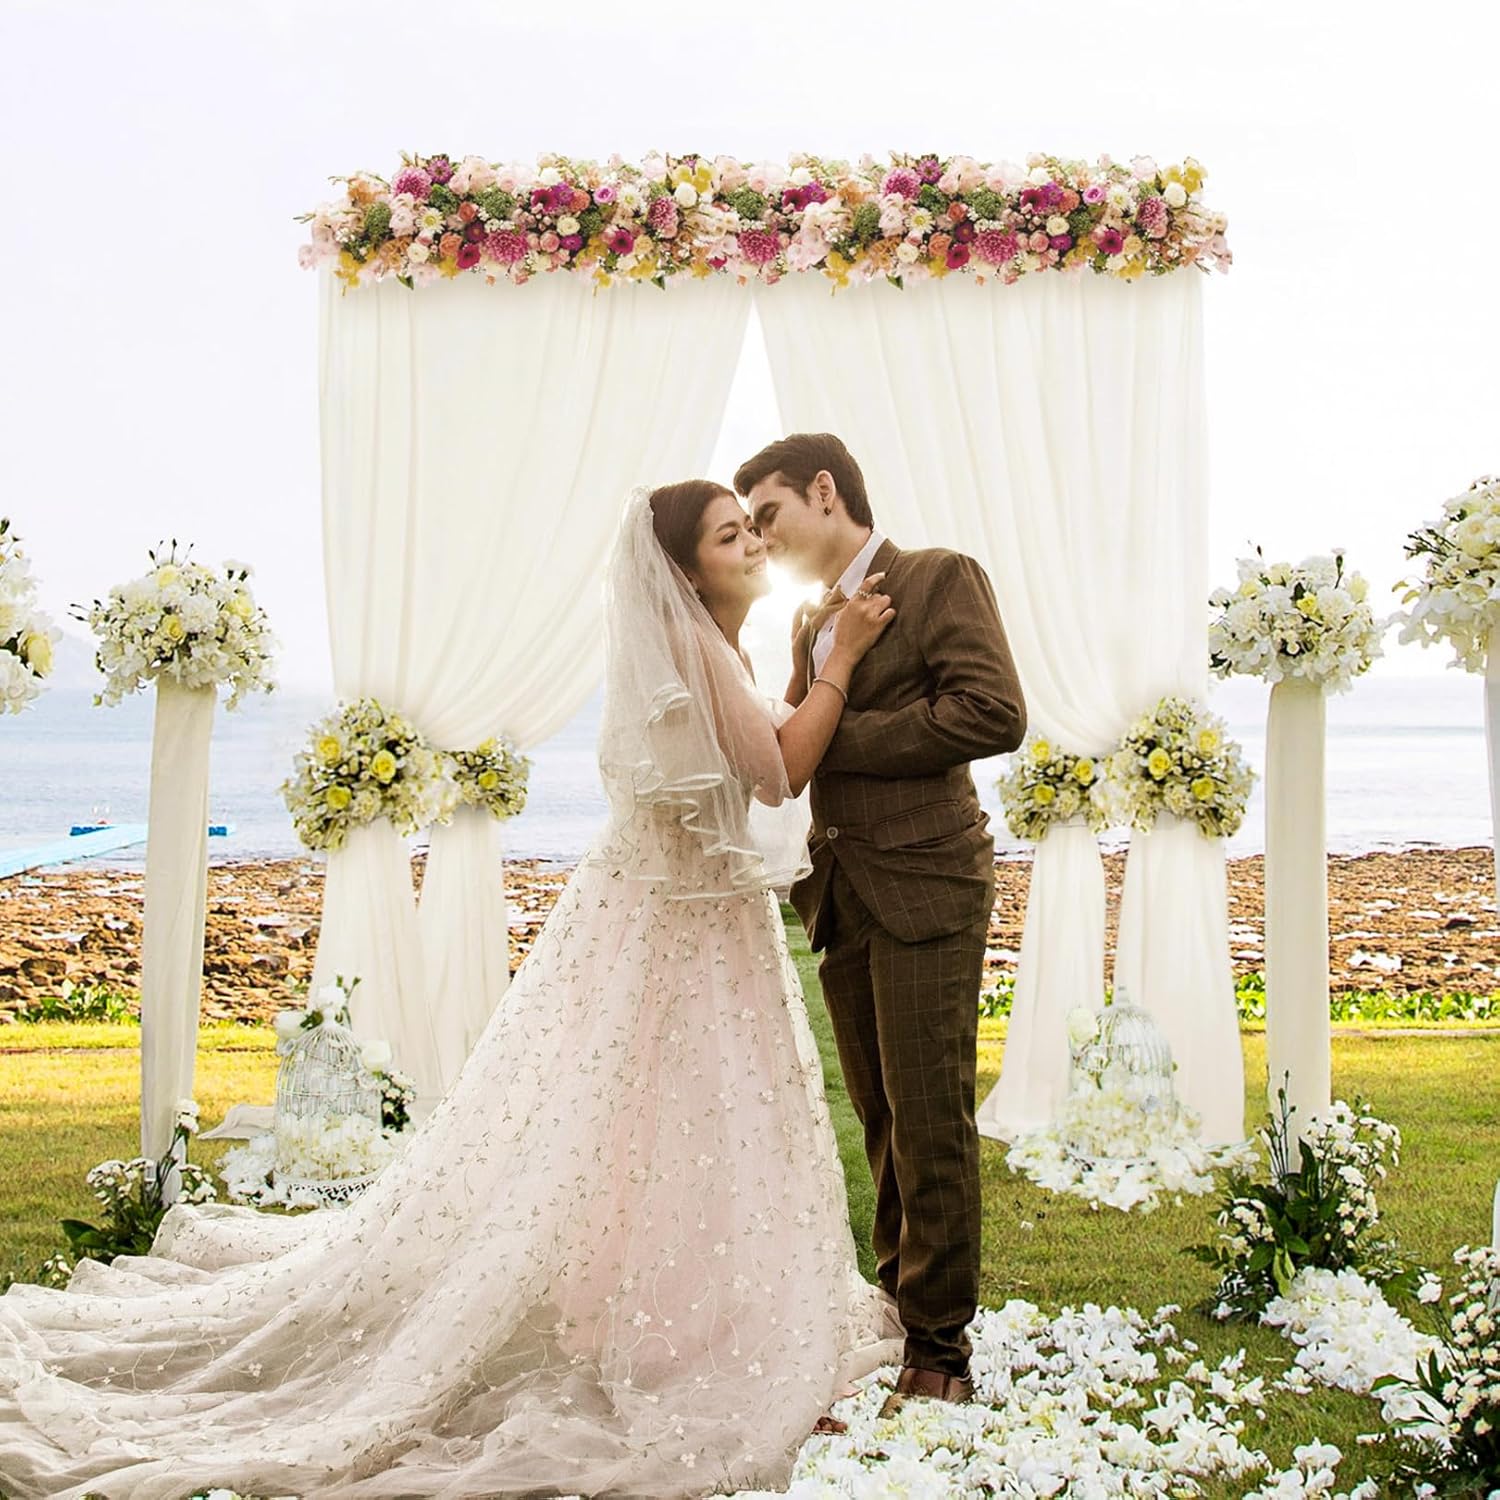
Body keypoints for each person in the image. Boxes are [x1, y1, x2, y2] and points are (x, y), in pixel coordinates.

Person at [0, 481, 901, 1499]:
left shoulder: (710, 651)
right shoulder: (696, 654)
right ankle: (667, 1319)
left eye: (749, 531)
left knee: (663, 1121)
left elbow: (754, 738)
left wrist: (805, 659)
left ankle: (661, 1303)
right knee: (665, 1114)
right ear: (688, 574)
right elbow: (778, 770)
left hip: (689, 924)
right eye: (731, 537)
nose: (754, 547)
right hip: (680, 931)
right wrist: (842, 662)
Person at [737, 433, 1026, 1417]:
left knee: (930, 1113)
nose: (761, 539)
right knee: (882, 1119)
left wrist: (840, 739)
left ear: (825, 489)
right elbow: (788, 750)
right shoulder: (808, 619)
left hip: (928, 881)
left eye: (769, 514)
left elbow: (992, 713)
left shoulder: (939, 576)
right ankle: (904, 1308)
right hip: (842, 893)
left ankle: (942, 1352)